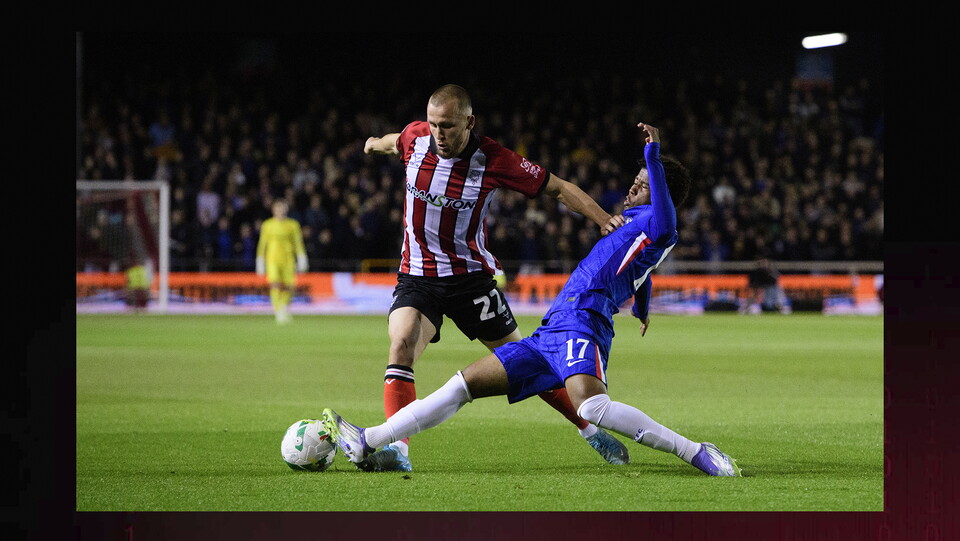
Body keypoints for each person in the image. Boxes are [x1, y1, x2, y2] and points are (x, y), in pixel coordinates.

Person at [324, 123, 741, 477]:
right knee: (462, 386)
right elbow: (640, 271)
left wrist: (653, 154)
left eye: (644, 184)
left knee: (592, 405)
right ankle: (368, 440)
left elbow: (664, 225)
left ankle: (697, 452)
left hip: (585, 321)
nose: (634, 187)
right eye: (636, 180)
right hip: (552, 328)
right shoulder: (634, 224)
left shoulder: (661, 225)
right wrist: (644, 306)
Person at [358, 83, 630, 471]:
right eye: (434, 124)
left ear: (469, 122)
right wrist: (371, 143)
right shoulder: (415, 138)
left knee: (528, 364)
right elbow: (391, 142)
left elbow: (557, 188)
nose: (440, 133)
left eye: (448, 126)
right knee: (400, 344)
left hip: (471, 282)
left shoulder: (495, 159)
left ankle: (589, 428)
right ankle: (397, 449)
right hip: (417, 277)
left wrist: (604, 219)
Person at [255, 198, 308, 324]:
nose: (280, 211)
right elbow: (263, 243)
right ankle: (278, 310)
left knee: (291, 286)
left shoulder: (293, 224)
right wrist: (260, 259)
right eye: (277, 208)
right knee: (275, 284)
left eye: (282, 208)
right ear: (273, 210)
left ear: (286, 209)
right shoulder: (267, 225)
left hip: (288, 259)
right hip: (272, 259)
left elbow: (298, 242)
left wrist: (302, 257)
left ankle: (283, 306)